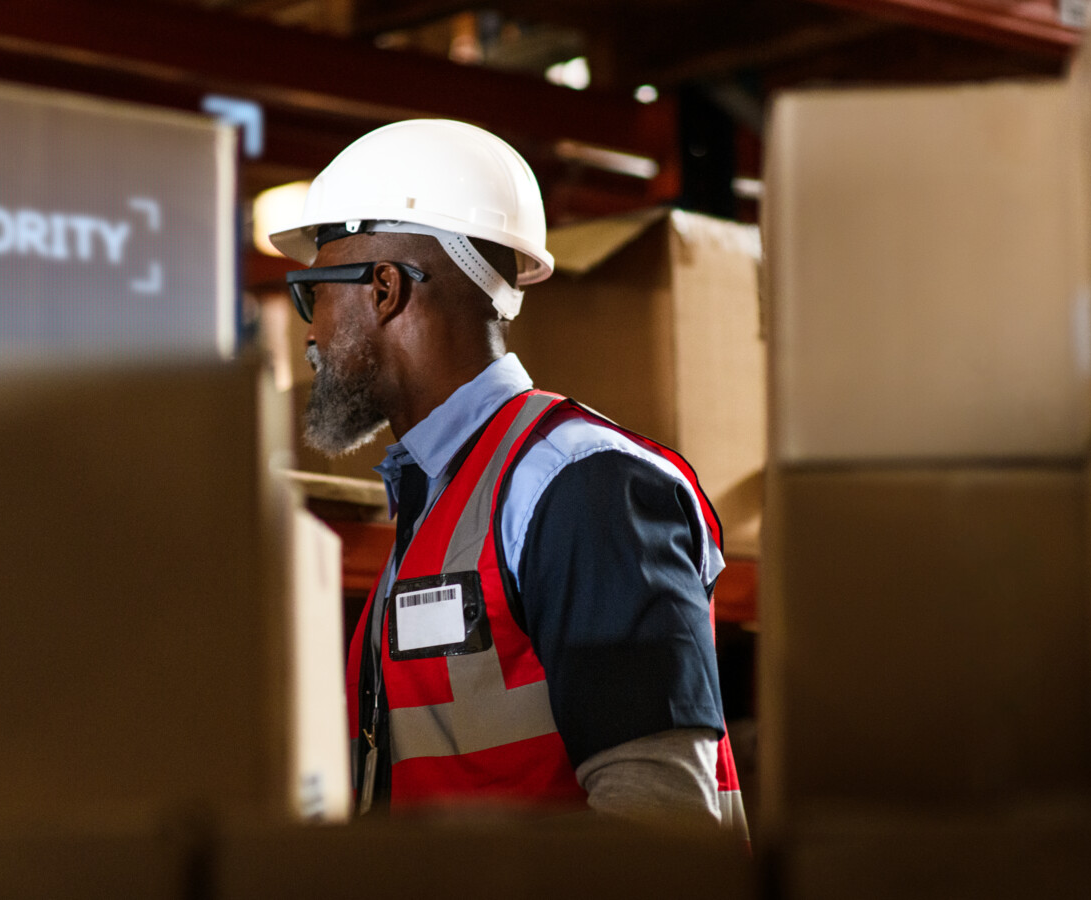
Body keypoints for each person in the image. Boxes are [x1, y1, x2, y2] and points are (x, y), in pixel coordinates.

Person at [271, 119, 746, 834]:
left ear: (384, 288)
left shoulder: (583, 486)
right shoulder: (438, 503)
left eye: (313, 295)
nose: (308, 333)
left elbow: (661, 825)